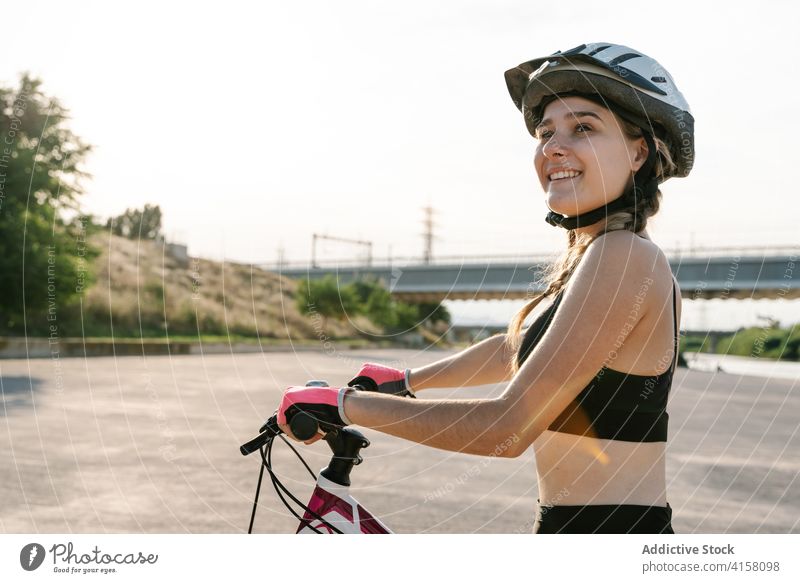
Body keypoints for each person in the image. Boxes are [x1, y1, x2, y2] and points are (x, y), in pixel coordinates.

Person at [276, 42, 695, 534]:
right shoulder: (600, 255)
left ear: (639, 150)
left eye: (583, 127)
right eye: (545, 132)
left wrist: (346, 405)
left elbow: (510, 426)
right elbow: (517, 347)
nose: (553, 147)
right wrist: (407, 381)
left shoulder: (624, 257)